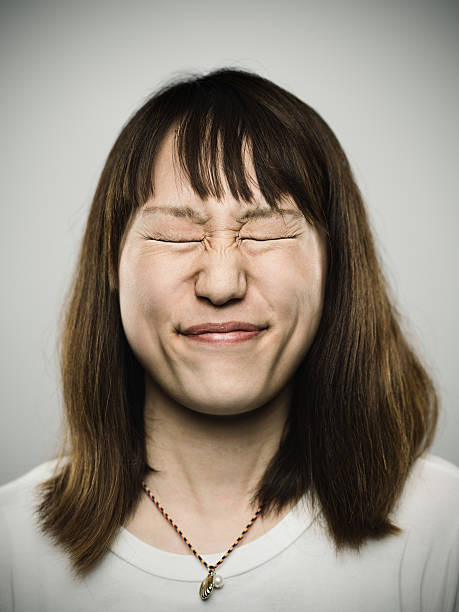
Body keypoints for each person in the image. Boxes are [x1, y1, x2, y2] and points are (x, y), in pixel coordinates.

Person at [1, 67, 458, 612]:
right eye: (175, 234)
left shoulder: (444, 527)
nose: (221, 284)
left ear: (335, 265)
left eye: (266, 231)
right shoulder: (10, 547)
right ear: (112, 265)